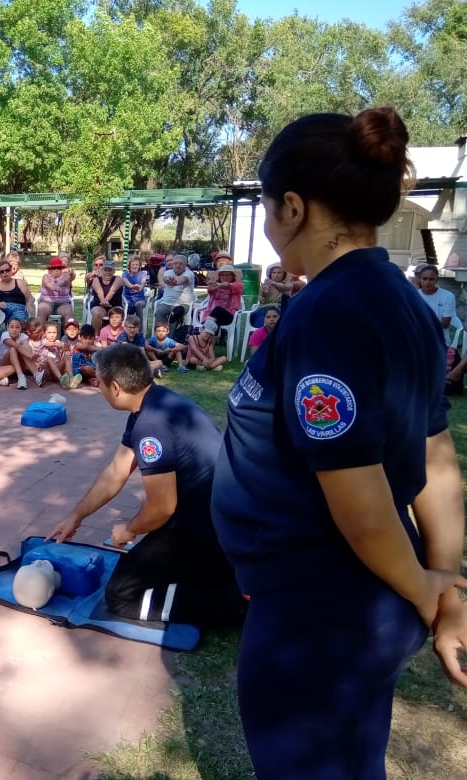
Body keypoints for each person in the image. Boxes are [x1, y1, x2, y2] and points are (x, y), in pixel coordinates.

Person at [211, 107, 467, 779]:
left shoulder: (330, 313)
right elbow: (438, 461)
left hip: (319, 614)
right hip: (361, 605)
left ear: (292, 207)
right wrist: (443, 588)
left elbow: (359, 498)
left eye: (267, 207)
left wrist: (426, 588)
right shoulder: (402, 302)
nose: (268, 225)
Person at [45, 344, 244, 627]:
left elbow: (162, 508)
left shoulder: (151, 425)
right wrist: (76, 516)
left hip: (207, 527)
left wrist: (129, 529)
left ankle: (233, 604)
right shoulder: (154, 403)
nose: (97, 387)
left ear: (115, 387)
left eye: (98, 382)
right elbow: (116, 471)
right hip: (216, 515)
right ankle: (217, 574)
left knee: (121, 596)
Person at [417, 263, 462, 345]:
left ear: (436, 280)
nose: (427, 282)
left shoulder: (447, 296)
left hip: (441, 341)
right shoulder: (414, 296)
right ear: (419, 279)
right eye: (424, 279)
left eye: (431, 279)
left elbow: (445, 324)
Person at [0, 259, 34, 324]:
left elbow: (30, 298)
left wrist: (29, 305)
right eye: (2, 271)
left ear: (11, 271)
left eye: (7, 270)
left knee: (17, 324)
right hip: (1, 310)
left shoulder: (19, 283)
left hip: (18, 309)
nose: (5, 273)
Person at [155, 254, 196, 330]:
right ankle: (159, 336)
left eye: (180, 264)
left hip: (183, 304)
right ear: (173, 264)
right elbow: (165, 279)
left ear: (185, 265)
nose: (178, 265)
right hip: (166, 303)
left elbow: (183, 280)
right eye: (175, 263)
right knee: (159, 311)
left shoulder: (189, 273)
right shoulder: (168, 272)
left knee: (175, 314)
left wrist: (175, 282)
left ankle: (171, 339)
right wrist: (168, 281)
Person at [90, 261, 127, 332]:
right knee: (97, 313)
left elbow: (112, 291)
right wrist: (103, 302)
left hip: (115, 305)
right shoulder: (96, 280)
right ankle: (96, 337)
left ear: (114, 271)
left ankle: (114, 337)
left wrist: (106, 301)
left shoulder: (118, 279)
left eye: (110, 270)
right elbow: (99, 292)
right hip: (99, 305)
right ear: (102, 270)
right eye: (105, 270)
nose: (107, 272)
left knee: (116, 314)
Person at [36, 257, 75, 321]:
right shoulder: (46, 276)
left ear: (62, 269)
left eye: (59, 268)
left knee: (68, 311)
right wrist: (53, 287)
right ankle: (40, 330)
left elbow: (63, 281)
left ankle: (68, 330)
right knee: (42, 309)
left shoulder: (66, 276)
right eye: (54, 268)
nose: (56, 270)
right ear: (50, 269)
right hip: (47, 302)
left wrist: (58, 285)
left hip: (63, 303)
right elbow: (48, 284)